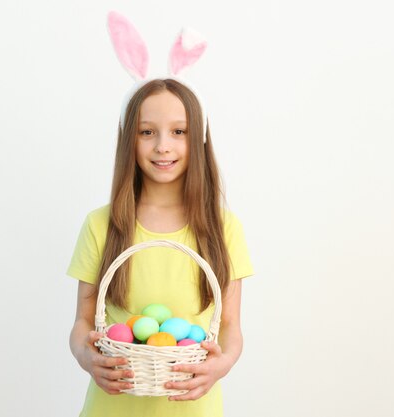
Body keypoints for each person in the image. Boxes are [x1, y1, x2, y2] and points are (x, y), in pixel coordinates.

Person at [67, 78, 254, 417]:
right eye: (147, 132)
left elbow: (230, 326)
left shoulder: (223, 229)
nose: (162, 147)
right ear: (129, 140)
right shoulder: (101, 225)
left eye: (179, 132)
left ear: (198, 139)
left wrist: (221, 365)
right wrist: (87, 358)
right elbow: (82, 322)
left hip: (193, 408)